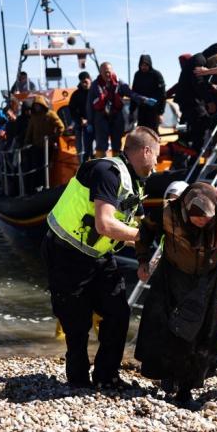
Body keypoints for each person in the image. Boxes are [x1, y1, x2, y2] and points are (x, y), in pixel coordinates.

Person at [41, 126, 161, 389]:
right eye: (156, 156)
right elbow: (105, 225)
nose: (157, 163)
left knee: (118, 312)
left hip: (99, 256)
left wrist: (143, 259)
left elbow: (137, 224)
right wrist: (141, 236)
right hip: (66, 253)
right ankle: (78, 381)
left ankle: (107, 376)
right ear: (146, 151)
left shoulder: (135, 184)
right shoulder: (107, 172)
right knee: (77, 324)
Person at [134, 182, 217, 408]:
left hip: (205, 282)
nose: (201, 221)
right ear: (186, 209)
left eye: (206, 217)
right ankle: (168, 375)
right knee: (166, 330)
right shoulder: (168, 212)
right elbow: (145, 232)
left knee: (197, 335)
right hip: (171, 277)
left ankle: (186, 390)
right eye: (196, 217)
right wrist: (142, 260)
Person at [86, 62, 157, 159]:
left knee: (117, 144)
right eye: (105, 72)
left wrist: (144, 99)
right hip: (101, 117)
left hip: (116, 116)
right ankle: (101, 166)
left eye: (109, 72)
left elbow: (131, 94)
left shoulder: (119, 83)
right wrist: (90, 122)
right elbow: (89, 105)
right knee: (101, 145)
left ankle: (117, 166)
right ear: (100, 72)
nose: (108, 74)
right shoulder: (95, 85)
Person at [24, 95, 65, 192]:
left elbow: (61, 127)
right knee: (37, 167)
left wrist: (54, 138)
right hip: (36, 146)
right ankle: (38, 186)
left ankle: (46, 184)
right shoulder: (33, 117)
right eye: (35, 105)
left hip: (48, 146)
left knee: (45, 166)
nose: (36, 107)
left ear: (42, 105)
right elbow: (29, 131)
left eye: (38, 105)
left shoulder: (50, 114)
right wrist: (26, 142)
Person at [130, 55, 166, 133]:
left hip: (154, 110)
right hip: (142, 110)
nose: (144, 67)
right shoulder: (137, 75)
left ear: (149, 65)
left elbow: (162, 95)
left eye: (146, 65)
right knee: (141, 133)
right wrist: (131, 111)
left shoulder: (156, 75)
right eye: (142, 65)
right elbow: (134, 94)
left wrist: (160, 113)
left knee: (153, 133)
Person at [69, 71, 93, 162]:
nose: (84, 84)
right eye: (82, 82)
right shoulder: (76, 95)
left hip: (94, 125)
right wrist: (80, 120)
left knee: (94, 149)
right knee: (81, 149)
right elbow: (72, 110)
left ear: (90, 80)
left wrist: (90, 120)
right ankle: (82, 167)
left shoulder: (95, 92)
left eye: (86, 82)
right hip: (81, 126)